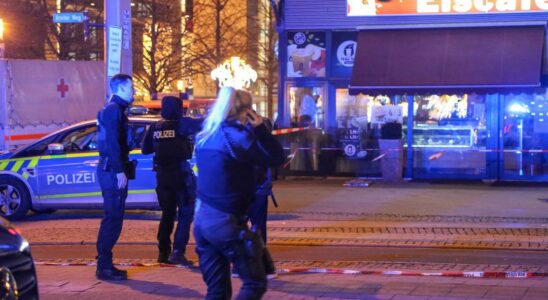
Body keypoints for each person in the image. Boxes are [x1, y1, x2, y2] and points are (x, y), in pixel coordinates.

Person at [193, 87, 285, 300]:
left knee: (217, 291)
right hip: (226, 222)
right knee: (254, 283)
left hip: (202, 220)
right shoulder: (239, 137)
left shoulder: (205, 135)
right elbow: (276, 158)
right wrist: (261, 129)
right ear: (248, 111)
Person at [141, 96, 202, 266]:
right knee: (185, 214)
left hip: (162, 177)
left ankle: (163, 252)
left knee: (167, 215)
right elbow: (203, 123)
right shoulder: (181, 124)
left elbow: (146, 149)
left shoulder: (155, 126)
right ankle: (177, 252)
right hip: (181, 177)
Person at [95, 74, 135, 281]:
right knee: (112, 219)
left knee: (114, 218)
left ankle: (105, 264)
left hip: (111, 170)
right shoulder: (113, 111)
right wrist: (119, 170)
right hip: (111, 171)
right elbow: (111, 143)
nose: (133, 91)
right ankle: (104, 266)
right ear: (119, 88)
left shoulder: (115, 109)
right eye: (130, 87)